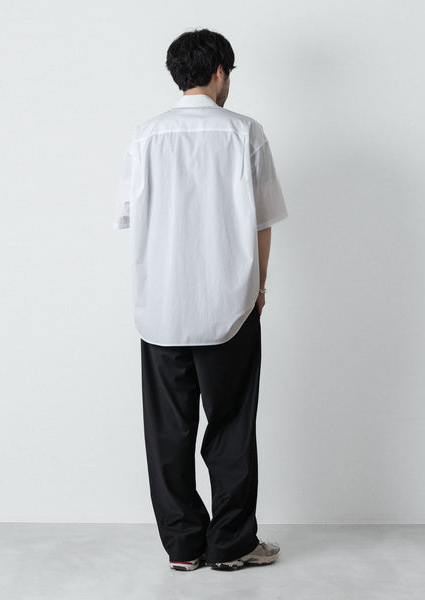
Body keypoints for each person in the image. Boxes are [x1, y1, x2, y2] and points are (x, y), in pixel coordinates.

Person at [113, 28, 288, 571]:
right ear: (219, 73)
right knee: (231, 426)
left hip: (161, 309)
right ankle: (232, 545)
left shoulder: (145, 136)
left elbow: (127, 217)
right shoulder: (244, 132)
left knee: (168, 431)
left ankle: (184, 547)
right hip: (229, 305)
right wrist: (259, 287)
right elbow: (263, 219)